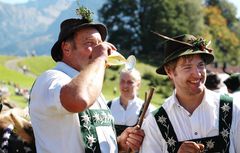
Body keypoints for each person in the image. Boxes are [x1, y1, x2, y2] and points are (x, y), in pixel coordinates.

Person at [29, 7, 144, 153]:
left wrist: (119, 145)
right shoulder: (50, 78)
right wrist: (99, 57)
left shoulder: (90, 86)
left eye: (100, 44)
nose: (99, 48)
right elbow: (78, 99)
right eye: (90, 43)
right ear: (66, 48)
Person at [139, 33, 240, 153]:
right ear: (169, 71)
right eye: (187, 67)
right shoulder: (155, 123)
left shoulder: (232, 109)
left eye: (200, 65)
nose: (197, 74)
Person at [108, 68, 155, 136]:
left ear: (138, 84)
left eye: (130, 82)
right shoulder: (108, 106)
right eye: (122, 81)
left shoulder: (148, 109)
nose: (125, 86)